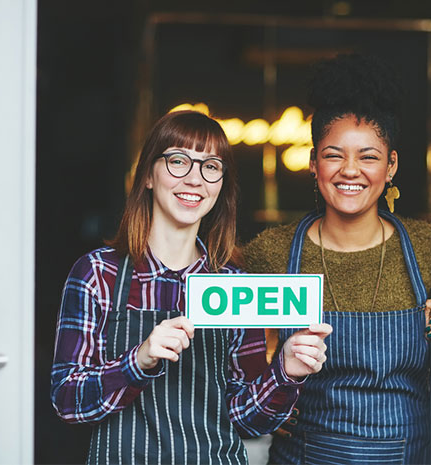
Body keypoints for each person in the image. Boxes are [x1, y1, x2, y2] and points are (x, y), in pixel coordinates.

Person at [50, 110, 332, 464]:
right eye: (178, 161)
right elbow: (67, 401)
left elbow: (246, 421)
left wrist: (286, 371)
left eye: (210, 166)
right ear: (148, 176)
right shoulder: (97, 274)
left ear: (221, 184)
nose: (195, 179)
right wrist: (139, 360)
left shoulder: (234, 285)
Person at [243, 54, 431, 464]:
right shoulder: (269, 252)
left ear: (391, 165)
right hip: (305, 454)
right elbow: (235, 359)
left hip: (406, 455)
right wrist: (272, 394)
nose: (350, 170)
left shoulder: (426, 246)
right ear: (312, 163)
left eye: (369, 156)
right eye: (333, 155)